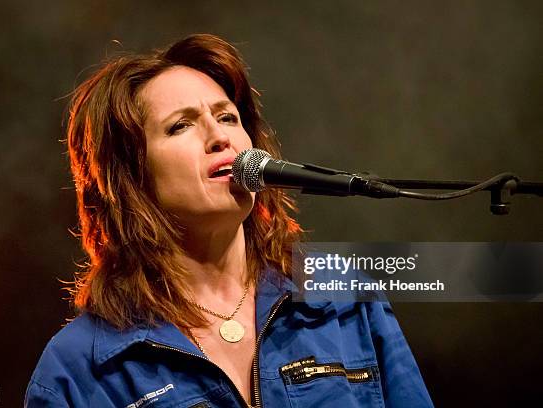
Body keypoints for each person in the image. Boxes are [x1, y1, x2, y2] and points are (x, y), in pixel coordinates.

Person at [25, 34, 433, 407]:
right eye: (180, 125)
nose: (220, 137)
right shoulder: (78, 370)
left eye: (227, 117)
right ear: (128, 176)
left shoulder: (343, 295)